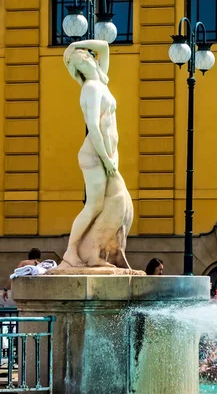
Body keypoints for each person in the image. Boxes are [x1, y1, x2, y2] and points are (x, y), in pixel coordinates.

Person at [61, 40, 131, 268]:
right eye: (79, 59)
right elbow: (93, 126)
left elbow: (104, 46)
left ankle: (96, 253)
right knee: (94, 205)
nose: (87, 58)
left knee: (117, 203)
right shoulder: (90, 88)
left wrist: (75, 44)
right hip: (95, 156)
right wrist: (106, 158)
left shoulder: (102, 81)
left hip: (107, 157)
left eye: (87, 56)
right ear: (77, 68)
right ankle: (72, 252)